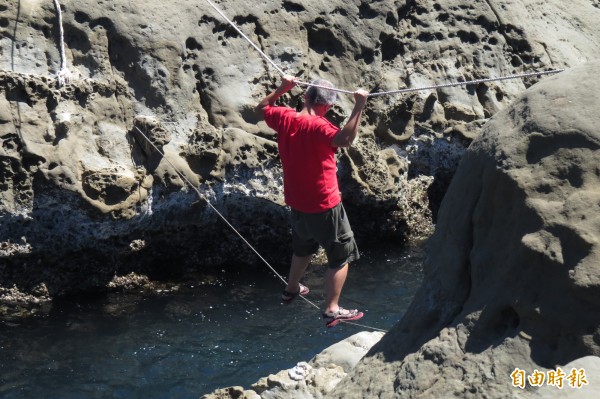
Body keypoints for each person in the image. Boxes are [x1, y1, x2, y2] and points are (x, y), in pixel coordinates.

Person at [257, 75, 369, 327]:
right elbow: (345, 140)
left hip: (297, 202)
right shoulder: (321, 127)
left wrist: (281, 89)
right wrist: (359, 106)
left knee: (303, 247)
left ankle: (292, 288)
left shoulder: (286, 117)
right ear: (327, 106)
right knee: (341, 256)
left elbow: (262, 108)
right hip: (324, 204)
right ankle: (332, 309)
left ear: (305, 96)